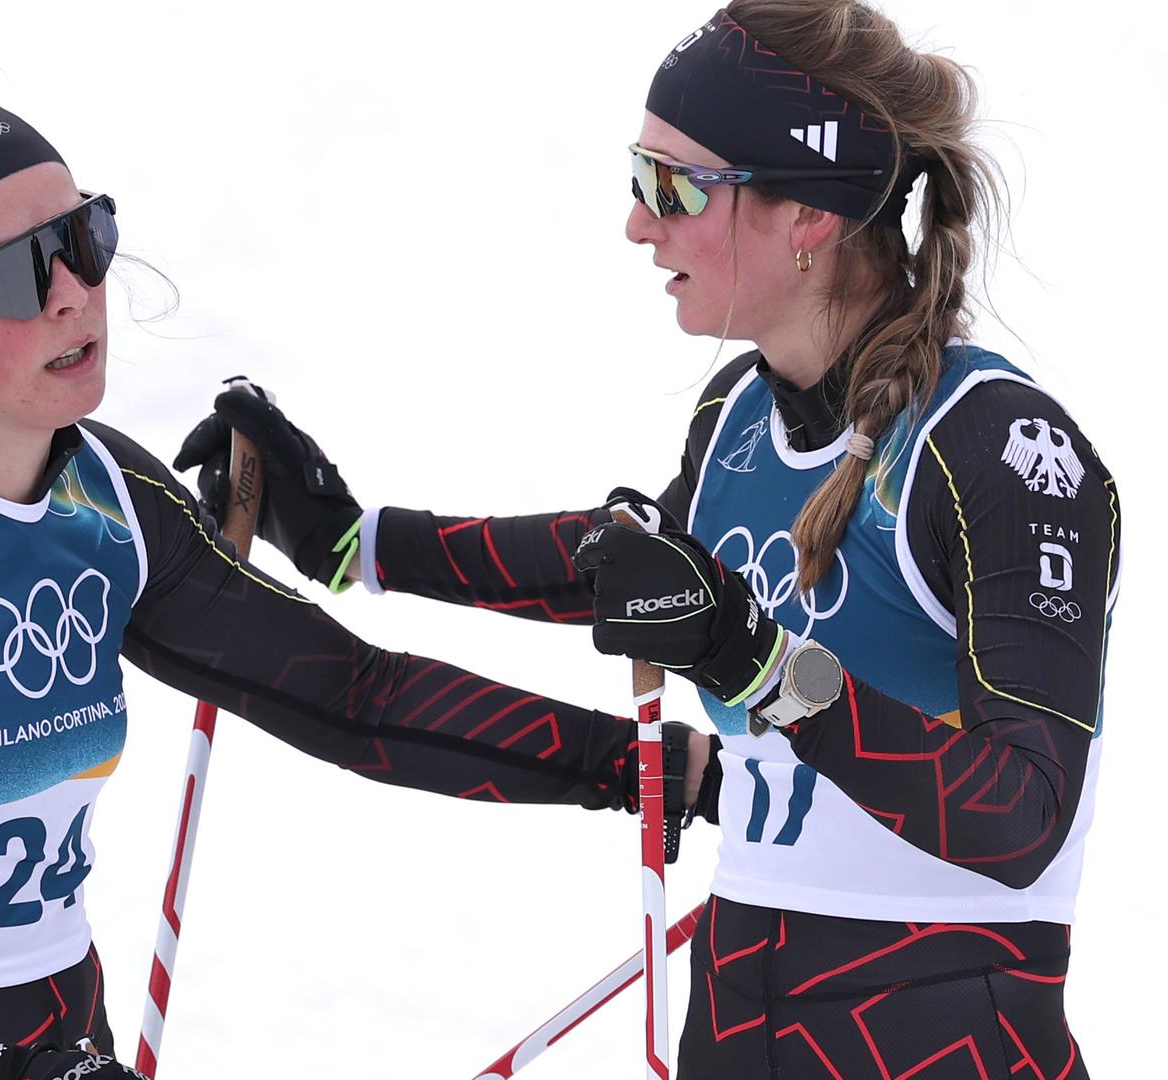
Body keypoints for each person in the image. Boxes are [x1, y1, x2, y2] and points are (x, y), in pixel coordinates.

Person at [0, 56, 709, 1080]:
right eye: (16, 273)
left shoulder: (108, 499)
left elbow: (355, 697)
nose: (75, 291)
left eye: (84, 238)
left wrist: (645, 770)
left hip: (63, 1038)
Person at [174, 4, 1119, 1077]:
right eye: (639, 175)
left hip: (947, 1044)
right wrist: (357, 542)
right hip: (735, 1028)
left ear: (805, 213)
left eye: (673, 187)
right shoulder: (738, 421)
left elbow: (1019, 816)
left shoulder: (997, 450)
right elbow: (630, 575)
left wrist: (762, 668)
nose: (638, 222)